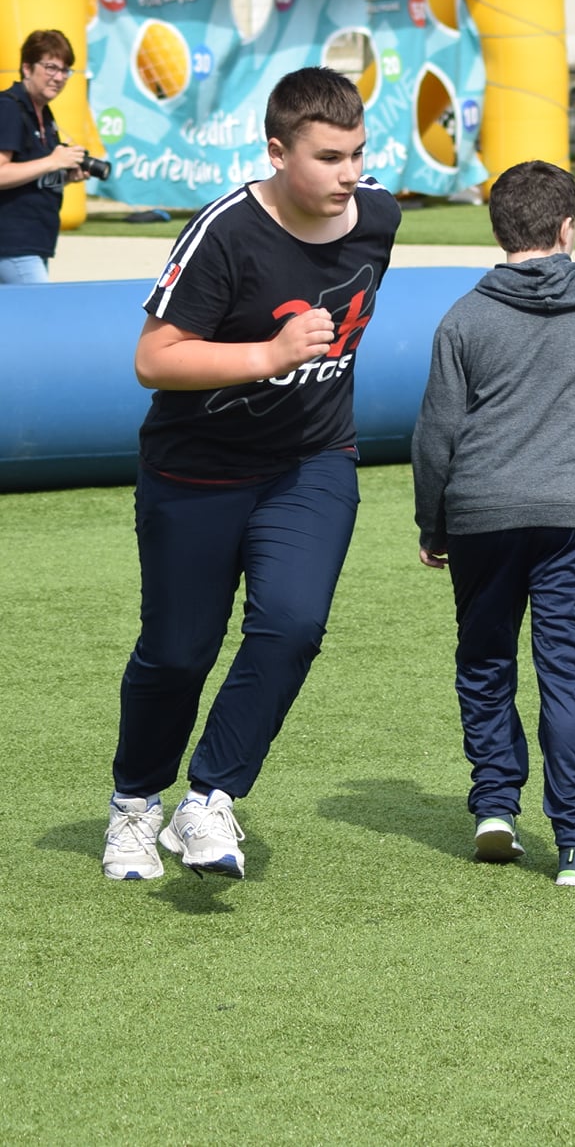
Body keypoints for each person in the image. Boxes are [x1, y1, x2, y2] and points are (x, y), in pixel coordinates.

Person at [100, 66, 400, 883]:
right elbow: (152, 359)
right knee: (176, 653)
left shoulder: (378, 216)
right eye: (330, 157)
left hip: (313, 461)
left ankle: (212, 797)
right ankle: (135, 804)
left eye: (359, 155)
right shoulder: (224, 231)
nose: (350, 176)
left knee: (294, 624)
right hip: (194, 474)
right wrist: (268, 355)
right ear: (276, 152)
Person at [412, 161, 575, 888]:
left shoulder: (464, 318)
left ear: (498, 227)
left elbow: (436, 433)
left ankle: (494, 807)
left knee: (484, 662)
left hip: (480, 512)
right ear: (567, 227)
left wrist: (432, 522)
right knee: (571, 677)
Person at [0, 29, 89, 284]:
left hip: (33, 243)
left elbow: (30, 175)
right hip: (13, 244)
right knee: (41, 316)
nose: (59, 77)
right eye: (51, 67)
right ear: (27, 68)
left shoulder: (44, 113)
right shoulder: (9, 107)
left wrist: (66, 175)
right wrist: (53, 161)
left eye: (65, 70)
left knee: (15, 321)